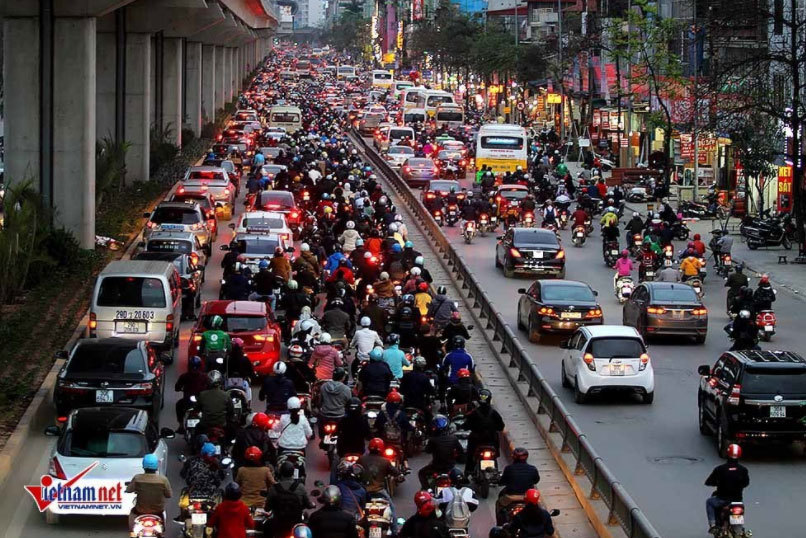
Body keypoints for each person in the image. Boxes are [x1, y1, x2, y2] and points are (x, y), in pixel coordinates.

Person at [705, 444, 749, 534]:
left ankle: (713, 525)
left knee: (709, 502)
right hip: (737, 501)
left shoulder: (720, 469)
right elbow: (746, 483)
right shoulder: (743, 470)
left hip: (722, 499)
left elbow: (709, 482)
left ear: (728, 453)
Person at [358, 438, 401, 530]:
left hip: (364, 492)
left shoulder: (361, 459)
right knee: (392, 509)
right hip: (379, 491)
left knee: (357, 510)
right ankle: (395, 531)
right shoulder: (385, 461)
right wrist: (400, 475)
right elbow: (396, 472)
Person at [264, 461, 316, 538]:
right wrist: (312, 505)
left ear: (280, 473)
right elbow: (308, 504)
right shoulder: (300, 487)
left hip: (278, 524)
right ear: (293, 473)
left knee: (265, 528)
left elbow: (267, 508)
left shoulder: (274, 488)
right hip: (296, 523)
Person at [462, 389, 505, 475]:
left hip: (476, 441)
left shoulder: (473, 414)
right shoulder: (494, 413)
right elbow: (501, 427)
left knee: (470, 455)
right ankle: (495, 470)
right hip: (491, 441)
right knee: (495, 454)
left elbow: (466, 426)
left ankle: (468, 472)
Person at [418, 415, 464, 489]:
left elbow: (428, 450)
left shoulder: (433, 440)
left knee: (421, 473)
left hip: (436, 467)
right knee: (459, 480)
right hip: (450, 467)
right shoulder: (453, 438)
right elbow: (460, 451)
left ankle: (427, 490)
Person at [127, 454, 172, 529]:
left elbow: (129, 490)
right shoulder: (163, 480)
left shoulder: (137, 478)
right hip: (158, 511)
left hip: (140, 511)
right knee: (163, 518)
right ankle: (162, 530)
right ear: (156, 466)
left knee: (132, 512)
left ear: (143, 466)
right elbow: (169, 495)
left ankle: (132, 532)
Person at [497, 447, 541, 524]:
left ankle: (500, 524)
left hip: (511, 497)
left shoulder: (509, 468)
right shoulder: (533, 469)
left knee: (499, 503)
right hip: (528, 498)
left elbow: (503, 481)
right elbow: (536, 480)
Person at [235, 445, 276, 509]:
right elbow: (273, 484)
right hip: (261, 504)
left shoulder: (241, 470)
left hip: (244, 504)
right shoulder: (265, 470)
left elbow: (236, 485)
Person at [175, 355, 209, 430]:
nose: (194, 369)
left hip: (200, 400)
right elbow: (177, 387)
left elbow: (209, 386)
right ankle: (181, 425)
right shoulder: (185, 376)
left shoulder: (204, 377)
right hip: (189, 400)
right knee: (179, 405)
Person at [197, 371, 233, 436]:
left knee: (196, 432)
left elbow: (197, 408)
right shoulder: (226, 395)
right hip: (221, 424)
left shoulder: (202, 394)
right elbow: (231, 411)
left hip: (206, 424)